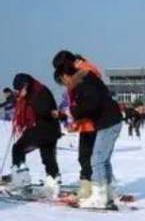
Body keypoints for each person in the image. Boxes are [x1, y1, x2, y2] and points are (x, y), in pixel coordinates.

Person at [54, 58, 123, 209]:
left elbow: (92, 103)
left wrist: (72, 111)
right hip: (109, 121)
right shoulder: (86, 78)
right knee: (102, 159)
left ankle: (99, 196)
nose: (64, 85)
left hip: (109, 122)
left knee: (97, 159)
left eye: (62, 81)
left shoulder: (85, 81)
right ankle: (107, 192)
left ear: (65, 75)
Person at [52, 50, 100, 200]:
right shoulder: (82, 70)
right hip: (87, 122)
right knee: (88, 155)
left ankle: (90, 187)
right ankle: (92, 184)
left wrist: (72, 112)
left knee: (87, 155)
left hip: (92, 121)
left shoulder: (84, 72)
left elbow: (86, 98)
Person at [7, 74, 62, 197]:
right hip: (50, 130)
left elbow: (44, 110)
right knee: (48, 156)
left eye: (20, 89)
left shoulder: (39, 93)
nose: (19, 92)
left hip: (41, 129)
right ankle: (53, 180)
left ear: (25, 85)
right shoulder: (38, 89)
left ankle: (21, 179)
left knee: (18, 149)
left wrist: (27, 101)